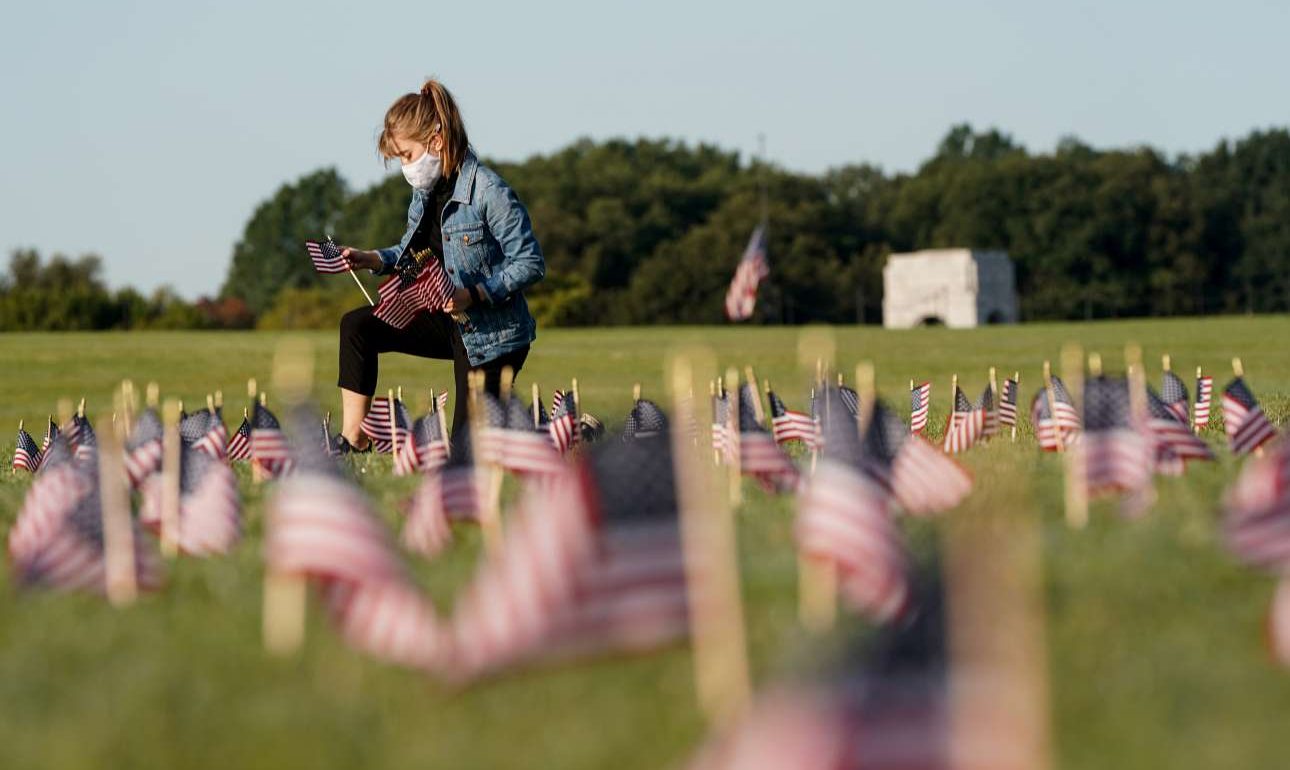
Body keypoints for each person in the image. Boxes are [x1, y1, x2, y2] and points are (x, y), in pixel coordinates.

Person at [332, 79, 544, 453]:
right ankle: (353, 441)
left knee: (466, 450)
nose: (405, 167)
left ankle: (563, 434)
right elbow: (411, 251)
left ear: (437, 140)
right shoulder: (425, 192)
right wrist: (372, 258)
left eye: (407, 155)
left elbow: (530, 262)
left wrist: (474, 293)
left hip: (491, 335)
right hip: (444, 321)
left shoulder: (489, 191)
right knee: (357, 326)